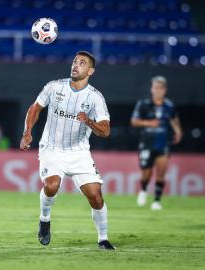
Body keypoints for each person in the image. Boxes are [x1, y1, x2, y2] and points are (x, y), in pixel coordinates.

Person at [20, 51, 115, 250]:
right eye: (74, 61)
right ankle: (44, 220)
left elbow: (105, 131)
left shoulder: (95, 98)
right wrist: (27, 132)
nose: (75, 65)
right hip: (52, 149)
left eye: (82, 63)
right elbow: (35, 108)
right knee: (52, 185)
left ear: (90, 70)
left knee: (96, 196)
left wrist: (88, 120)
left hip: (79, 152)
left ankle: (103, 239)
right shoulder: (54, 86)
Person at [131, 76, 182, 210]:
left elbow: (174, 119)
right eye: (155, 87)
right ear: (151, 89)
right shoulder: (143, 103)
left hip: (163, 142)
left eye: (160, 88)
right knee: (146, 171)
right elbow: (134, 121)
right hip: (147, 142)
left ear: (164, 90)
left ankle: (157, 201)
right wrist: (149, 123)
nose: (157, 90)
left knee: (161, 171)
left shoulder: (169, 105)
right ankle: (143, 189)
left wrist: (178, 131)